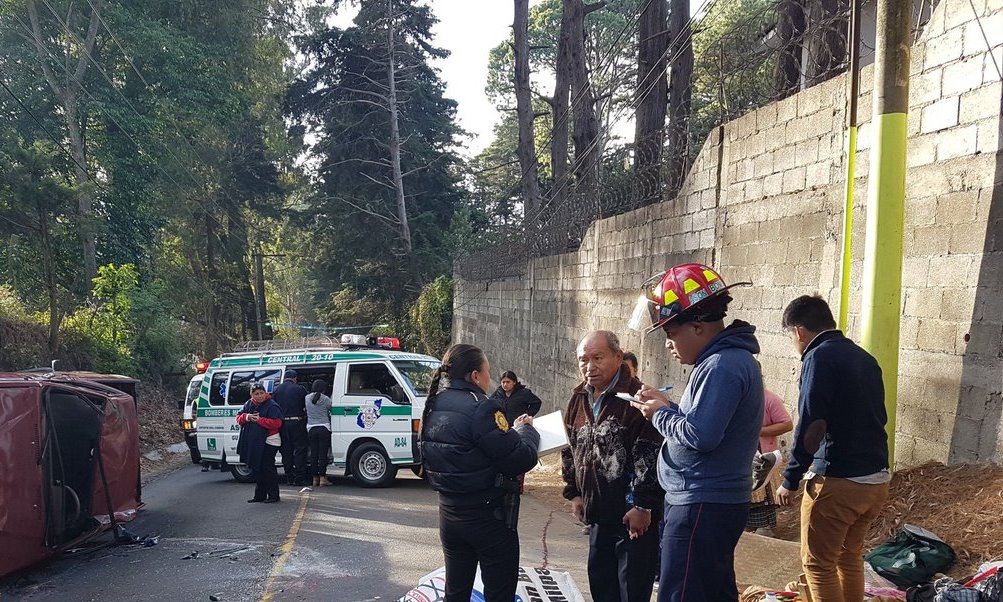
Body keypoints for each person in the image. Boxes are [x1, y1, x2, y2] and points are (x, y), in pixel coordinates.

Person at [628, 263, 763, 602]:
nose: (669, 345)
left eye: (671, 334)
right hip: (708, 502)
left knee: (683, 593)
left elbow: (701, 435)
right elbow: (703, 422)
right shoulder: (725, 361)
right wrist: (669, 405)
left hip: (702, 503)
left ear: (698, 327)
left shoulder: (721, 366)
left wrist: (658, 414)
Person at [774, 295, 890, 602]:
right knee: (848, 557)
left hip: (838, 480)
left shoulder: (818, 358)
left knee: (818, 565)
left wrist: (791, 477)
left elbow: (812, 424)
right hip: (876, 480)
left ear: (798, 331)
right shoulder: (865, 358)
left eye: (790, 337)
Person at [420, 344, 540, 602]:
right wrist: (527, 431)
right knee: (499, 594)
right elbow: (520, 458)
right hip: (487, 518)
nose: (490, 378)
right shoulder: (482, 408)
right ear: (475, 376)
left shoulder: (433, 403)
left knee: (456, 593)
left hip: (449, 514)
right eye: (488, 371)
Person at [561, 330, 663, 602]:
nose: (589, 367)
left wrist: (643, 505)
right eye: (583, 360)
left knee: (631, 593)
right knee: (602, 589)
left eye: (597, 358)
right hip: (598, 515)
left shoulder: (637, 399)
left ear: (618, 358)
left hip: (633, 519)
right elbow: (570, 447)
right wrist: (575, 493)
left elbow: (650, 456)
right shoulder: (579, 397)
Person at [746, 383, 793, 536]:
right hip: (739, 460)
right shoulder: (732, 398)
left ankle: (763, 531)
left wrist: (757, 431)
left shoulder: (769, 399)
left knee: (760, 501)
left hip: (763, 460)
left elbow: (787, 424)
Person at [236, 383, 284, 503]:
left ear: (265, 393)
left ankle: (273, 495)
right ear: (251, 395)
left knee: (267, 467)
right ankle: (259, 495)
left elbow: (277, 423)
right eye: (256, 394)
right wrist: (247, 417)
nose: (259, 396)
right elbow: (238, 418)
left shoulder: (272, 405)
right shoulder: (248, 404)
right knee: (257, 467)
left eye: (261, 393)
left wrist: (259, 420)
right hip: (255, 442)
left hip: (270, 440)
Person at [273, 369, 309, 485]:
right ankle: (299, 477)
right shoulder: (300, 389)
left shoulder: (276, 390)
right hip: (297, 422)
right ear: (295, 378)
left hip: (282, 423)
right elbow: (306, 405)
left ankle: (289, 476)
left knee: (286, 450)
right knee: (300, 449)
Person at [306, 379, 334, 488]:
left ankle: (314, 478)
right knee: (322, 454)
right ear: (324, 388)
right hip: (324, 428)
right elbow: (331, 410)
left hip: (311, 428)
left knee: (314, 454)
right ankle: (323, 478)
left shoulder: (306, 398)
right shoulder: (326, 399)